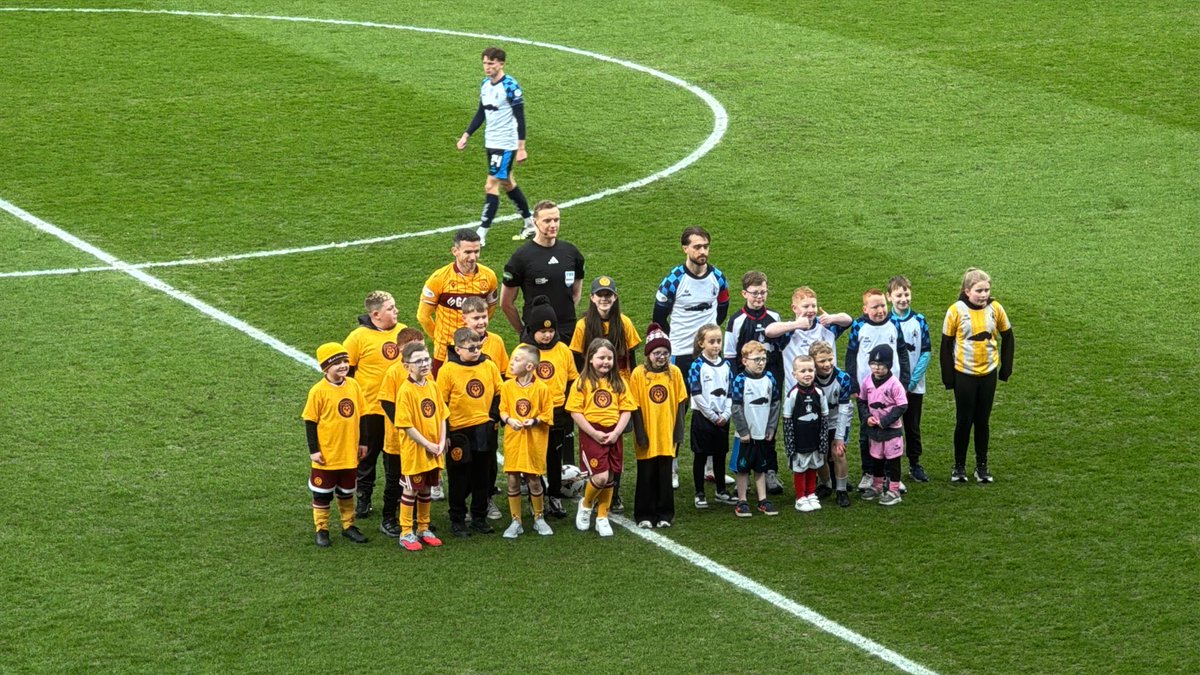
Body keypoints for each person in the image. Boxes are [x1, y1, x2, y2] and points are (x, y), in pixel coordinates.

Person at [764, 286, 852, 497]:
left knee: (834, 441)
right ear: (794, 308)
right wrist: (796, 324)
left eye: (813, 305)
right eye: (805, 306)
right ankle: (822, 484)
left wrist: (831, 317)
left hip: (830, 393)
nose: (811, 310)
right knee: (813, 445)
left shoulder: (826, 329)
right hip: (801, 399)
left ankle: (837, 484)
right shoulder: (789, 333)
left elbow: (848, 320)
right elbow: (768, 331)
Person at [570, 275, 641, 508]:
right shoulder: (583, 326)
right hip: (593, 392)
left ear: (615, 297)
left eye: (608, 295)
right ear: (591, 298)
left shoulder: (625, 323)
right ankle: (595, 493)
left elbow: (631, 357)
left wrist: (629, 388)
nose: (604, 299)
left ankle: (615, 493)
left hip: (619, 390)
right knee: (595, 441)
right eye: (600, 295)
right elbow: (578, 361)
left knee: (615, 445)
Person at [940, 267, 1014, 483]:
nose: (983, 295)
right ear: (966, 290)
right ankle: (959, 467)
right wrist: (948, 378)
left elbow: (1008, 337)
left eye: (986, 290)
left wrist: (1005, 369)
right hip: (964, 373)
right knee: (964, 421)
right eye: (979, 290)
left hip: (988, 373)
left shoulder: (996, 308)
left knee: (982, 421)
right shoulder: (955, 310)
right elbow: (946, 345)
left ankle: (982, 466)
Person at [456, 46, 534, 245]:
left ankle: (481, 233)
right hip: (490, 141)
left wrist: (521, 147)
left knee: (491, 184)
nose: (487, 67)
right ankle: (529, 222)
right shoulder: (485, 84)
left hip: (506, 143)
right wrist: (467, 134)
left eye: (491, 63)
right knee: (507, 182)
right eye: (484, 63)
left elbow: (520, 117)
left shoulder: (510, 86)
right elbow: (481, 112)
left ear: (501, 63)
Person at [343, 291, 405, 520]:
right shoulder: (357, 337)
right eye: (391, 308)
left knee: (395, 459)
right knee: (366, 457)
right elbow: (346, 372)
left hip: (397, 409)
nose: (396, 311)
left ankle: (396, 499)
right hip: (370, 409)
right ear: (376, 314)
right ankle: (364, 499)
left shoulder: (403, 332)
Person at [437, 328, 503, 538]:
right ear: (458, 349)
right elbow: (442, 404)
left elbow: (500, 392)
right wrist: (445, 433)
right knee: (459, 478)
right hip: (459, 432)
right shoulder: (447, 370)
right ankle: (457, 519)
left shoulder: (489, 365)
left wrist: (493, 416)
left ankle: (479, 517)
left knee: (482, 476)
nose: (476, 351)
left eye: (479, 346)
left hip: (484, 428)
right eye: (471, 348)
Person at [515, 295, 578, 518]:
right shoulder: (524, 351)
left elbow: (573, 381)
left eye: (551, 330)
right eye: (542, 331)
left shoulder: (563, 350)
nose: (547, 335)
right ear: (533, 330)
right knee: (535, 457)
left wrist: (569, 410)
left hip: (558, 413)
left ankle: (554, 496)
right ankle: (536, 496)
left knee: (554, 457)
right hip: (532, 415)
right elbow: (512, 382)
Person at [302, 343, 370, 547]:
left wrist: (364, 442)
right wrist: (314, 451)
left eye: (345, 361)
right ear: (326, 367)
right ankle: (321, 529)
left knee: (346, 492)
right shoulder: (318, 391)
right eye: (337, 363)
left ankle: (348, 526)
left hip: (349, 453)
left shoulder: (354, 385)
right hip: (327, 455)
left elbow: (363, 416)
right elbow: (310, 422)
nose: (343, 366)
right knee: (322, 495)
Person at [724, 271, 786, 495]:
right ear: (744, 293)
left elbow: (782, 348)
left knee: (769, 427)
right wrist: (736, 382)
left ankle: (770, 470)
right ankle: (743, 473)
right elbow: (730, 354)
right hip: (746, 383)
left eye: (763, 292)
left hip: (771, 381)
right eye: (755, 293)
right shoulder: (737, 320)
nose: (759, 297)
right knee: (745, 428)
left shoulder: (775, 317)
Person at [568, 338, 637, 538]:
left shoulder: (619, 382)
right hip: (593, 433)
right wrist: (594, 433)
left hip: (613, 432)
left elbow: (626, 410)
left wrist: (616, 433)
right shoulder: (582, 383)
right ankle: (587, 504)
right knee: (600, 476)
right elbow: (575, 412)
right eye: (601, 358)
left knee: (612, 475)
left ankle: (602, 516)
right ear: (590, 359)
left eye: (610, 358)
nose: (606, 362)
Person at [845, 288, 910, 492]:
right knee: (868, 431)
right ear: (865, 308)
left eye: (882, 305)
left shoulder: (895, 323)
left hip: (893, 388)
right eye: (875, 307)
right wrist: (853, 384)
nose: (880, 310)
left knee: (893, 431)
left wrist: (905, 380)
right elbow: (850, 355)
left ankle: (893, 476)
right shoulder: (859, 326)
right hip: (868, 390)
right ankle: (869, 473)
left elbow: (902, 351)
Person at [417, 229, 499, 378]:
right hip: (446, 350)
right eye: (468, 252)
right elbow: (423, 316)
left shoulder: (489, 277)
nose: (473, 257)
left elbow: (491, 307)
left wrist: (479, 327)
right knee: (441, 395)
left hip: (475, 347)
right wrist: (438, 338)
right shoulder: (438, 279)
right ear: (455, 251)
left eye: (477, 251)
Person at [629, 323, 688, 528]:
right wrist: (640, 434)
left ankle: (664, 514)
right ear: (648, 354)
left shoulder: (675, 373)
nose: (661, 357)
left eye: (665, 353)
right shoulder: (638, 374)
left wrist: (678, 433)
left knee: (664, 476)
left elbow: (681, 403)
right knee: (646, 475)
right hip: (647, 435)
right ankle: (644, 514)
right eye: (656, 353)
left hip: (666, 435)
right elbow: (634, 406)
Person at [391, 341, 449, 551]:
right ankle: (406, 531)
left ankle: (423, 528)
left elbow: (442, 415)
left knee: (426, 488)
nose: (424, 364)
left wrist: (441, 442)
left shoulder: (432, 385)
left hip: (433, 450)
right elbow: (406, 425)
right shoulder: (405, 391)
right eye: (419, 361)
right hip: (415, 452)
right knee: (410, 491)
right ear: (407, 365)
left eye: (426, 359)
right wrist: (428, 445)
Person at [500, 200, 584, 341]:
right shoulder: (521, 257)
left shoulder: (572, 253)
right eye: (547, 221)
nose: (553, 225)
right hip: (536, 333)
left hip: (568, 332)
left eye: (556, 220)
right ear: (534, 221)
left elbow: (575, 294)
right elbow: (506, 303)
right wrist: (523, 331)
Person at [653, 226, 730, 379]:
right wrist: (674, 337)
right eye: (697, 247)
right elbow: (659, 319)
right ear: (685, 249)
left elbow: (723, 309)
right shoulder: (673, 281)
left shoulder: (718, 278)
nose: (703, 251)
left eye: (706, 247)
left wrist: (709, 333)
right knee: (681, 400)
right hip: (681, 351)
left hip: (709, 351)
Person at [373, 328, 427, 538]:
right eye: (412, 347)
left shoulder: (425, 372)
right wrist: (404, 424)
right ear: (401, 350)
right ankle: (388, 519)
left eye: (420, 347)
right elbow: (386, 401)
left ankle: (412, 518)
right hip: (397, 441)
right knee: (395, 481)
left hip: (418, 440)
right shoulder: (394, 372)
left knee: (416, 480)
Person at [499, 345, 555, 538]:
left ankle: (539, 517)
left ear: (530, 366)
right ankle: (516, 521)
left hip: (534, 442)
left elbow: (548, 414)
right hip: (513, 440)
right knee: (513, 479)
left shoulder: (542, 389)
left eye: (516, 359)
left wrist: (534, 421)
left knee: (534, 480)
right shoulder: (507, 386)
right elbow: (503, 409)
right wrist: (508, 420)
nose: (512, 362)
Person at [461, 295, 508, 517]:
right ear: (464, 319)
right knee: (465, 460)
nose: (481, 321)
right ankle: (465, 501)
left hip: (489, 414)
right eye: (476, 318)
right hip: (464, 415)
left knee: (489, 458)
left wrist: (496, 412)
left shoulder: (496, 342)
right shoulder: (458, 342)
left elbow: (504, 377)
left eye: (484, 316)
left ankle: (486, 498)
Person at [887, 275, 933, 483]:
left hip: (914, 386)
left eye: (906, 294)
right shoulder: (886, 322)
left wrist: (912, 381)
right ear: (890, 297)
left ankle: (915, 463)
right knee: (891, 426)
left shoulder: (919, 320)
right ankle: (889, 467)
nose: (903, 298)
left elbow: (926, 352)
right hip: (890, 386)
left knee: (912, 425)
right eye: (898, 294)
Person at [729, 341, 781, 517]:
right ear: (745, 361)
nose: (760, 363)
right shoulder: (740, 380)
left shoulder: (770, 379)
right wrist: (743, 431)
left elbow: (775, 404)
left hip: (762, 432)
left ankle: (762, 500)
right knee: (743, 469)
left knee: (761, 467)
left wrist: (771, 427)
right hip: (746, 435)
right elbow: (736, 408)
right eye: (756, 359)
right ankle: (742, 500)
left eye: (763, 359)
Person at [687, 324, 736, 508]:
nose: (716, 345)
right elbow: (696, 393)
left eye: (719, 341)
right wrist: (712, 416)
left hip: (723, 417)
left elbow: (731, 391)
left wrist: (725, 413)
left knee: (720, 454)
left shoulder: (726, 365)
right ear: (701, 343)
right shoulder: (697, 365)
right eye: (712, 342)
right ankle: (699, 492)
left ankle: (720, 490)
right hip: (703, 417)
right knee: (700, 455)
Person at [859, 345, 908, 506]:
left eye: (881, 365)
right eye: (873, 363)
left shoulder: (895, 384)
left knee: (893, 460)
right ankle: (877, 485)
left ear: (888, 365)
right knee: (876, 458)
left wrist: (885, 421)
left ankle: (894, 489)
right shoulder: (867, 381)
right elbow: (862, 401)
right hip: (874, 431)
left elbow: (902, 405)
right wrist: (867, 418)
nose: (877, 368)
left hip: (891, 431)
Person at [782, 354, 829, 513]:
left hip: (814, 439)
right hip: (799, 441)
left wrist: (823, 441)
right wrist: (790, 445)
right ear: (794, 373)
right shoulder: (793, 394)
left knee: (813, 466)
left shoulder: (819, 392)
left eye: (810, 370)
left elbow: (824, 417)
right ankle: (800, 497)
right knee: (800, 469)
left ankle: (811, 493)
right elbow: (787, 420)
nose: (807, 374)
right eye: (803, 371)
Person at [810, 341, 854, 508]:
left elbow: (844, 410)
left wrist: (839, 437)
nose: (827, 364)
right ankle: (827, 484)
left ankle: (841, 490)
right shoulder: (809, 378)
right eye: (822, 361)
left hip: (838, 420)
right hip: (819, 422)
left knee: (838, 453)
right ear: (813, 361)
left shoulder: (843, 378)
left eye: (830, 359)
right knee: (820, 454)